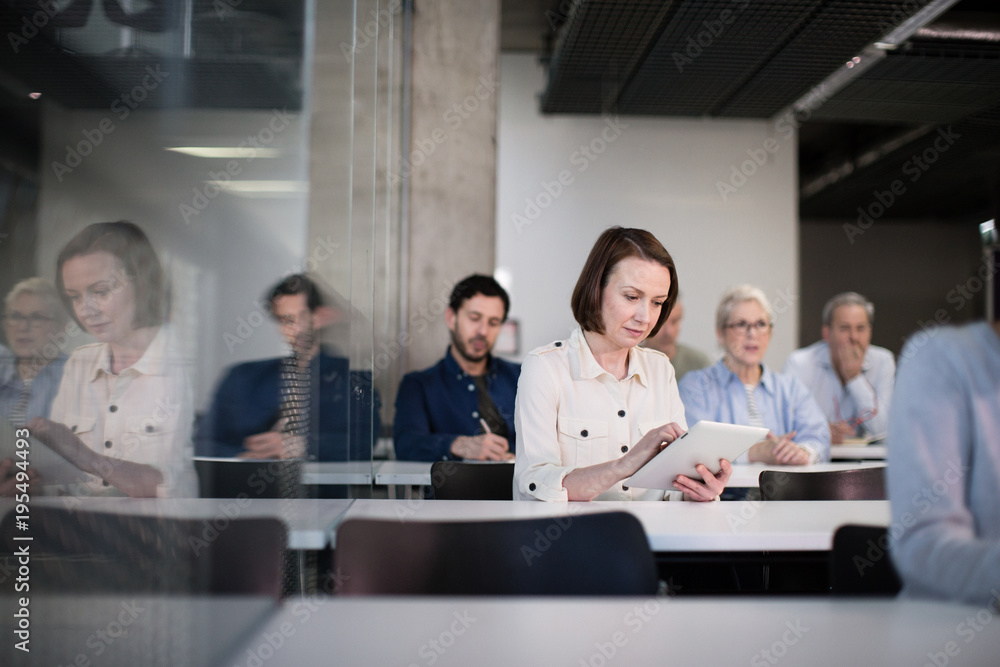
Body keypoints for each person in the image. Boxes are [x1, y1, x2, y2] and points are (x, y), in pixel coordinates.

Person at [514, 227, 730, 502]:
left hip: (655, 540)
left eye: (657, 303)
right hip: (575, 540)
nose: (645, 317)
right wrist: (623, 466)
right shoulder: (545, 368)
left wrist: (696, 491)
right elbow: (535, 485)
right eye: (631, 297)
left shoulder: (660, 369)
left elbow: (671, 489)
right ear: (596, 288)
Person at [27, 221, 197, 497]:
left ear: (143, 284)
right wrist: (24, 482)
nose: (86, 310)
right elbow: (58, 478)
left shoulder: (179, 363)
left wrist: (85, 457)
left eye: (101, 291)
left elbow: (168, 487)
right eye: (74, 296)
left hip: (154, 534)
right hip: (77, 531)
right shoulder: (79, 364)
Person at [195, 274, 380, 462]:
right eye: (287, 320)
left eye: (303, 317)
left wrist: (303, 446)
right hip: (248, 485)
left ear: (319, 317)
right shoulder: (242, 377)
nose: (296, 329)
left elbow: (363, 445)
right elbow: (204, 442)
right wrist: (250, 459)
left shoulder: (354, 381)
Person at [888, 321, 1000, 606]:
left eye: (860, 327)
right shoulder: (942, 358)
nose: (854, 336)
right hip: (960, 632)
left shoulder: (879, 363)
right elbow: (923, 545)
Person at [678, 285, 829, 465]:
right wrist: (754, 452)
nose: (752, 334)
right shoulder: (696, 386)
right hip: (723, 493)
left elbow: (820, 437)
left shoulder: (791, 388)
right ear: (721, 333)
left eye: (761, 324)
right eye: (741, 324)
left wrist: (803, 451)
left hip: (784, 492)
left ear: (770, 332)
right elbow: (692, 450)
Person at [394, 274, 520, 462]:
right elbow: (406, 444)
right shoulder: (418, 385)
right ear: (451, 318)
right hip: (451, 492)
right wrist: (459, 445)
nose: (483, 331)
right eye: (474, 318)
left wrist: (516, 457)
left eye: (493, 323)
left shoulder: (522, 376)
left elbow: (551, 441)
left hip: (514, 491)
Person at [783, 292, 894, 443]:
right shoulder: (799, 363)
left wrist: (854, 378)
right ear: (827, 333)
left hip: (866, 461)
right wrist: (820, 431)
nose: (854, 337)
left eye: (861, 328)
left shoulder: (883, 361)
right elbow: (786, 427)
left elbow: (883, 432)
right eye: (844, 328)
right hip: (815, 458)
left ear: (870, 332)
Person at [0, 278, 70, 424]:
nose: (23, 327)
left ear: (61, 328)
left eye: (36, 317)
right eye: (15, 316)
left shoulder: (74, 376)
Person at [642, 296, 713, 381]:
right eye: (661, 322)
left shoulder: (699, 365)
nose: (668, 332)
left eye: (674, 321)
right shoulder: (629, 361)